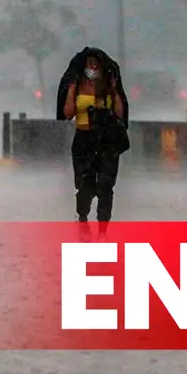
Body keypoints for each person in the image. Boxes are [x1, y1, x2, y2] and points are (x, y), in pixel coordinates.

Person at [60, 48, 129, 241]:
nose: (92, 67)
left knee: (106, 187)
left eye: (95, 64)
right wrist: (72, 90)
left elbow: (120, 113)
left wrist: (114, 91)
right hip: (84, 140)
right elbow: (68, 114)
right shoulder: (78, 85)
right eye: (89, 64)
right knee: (85, 186)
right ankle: (82, 218)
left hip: (107, 141)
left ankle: (103, 231)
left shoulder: (108, 86)